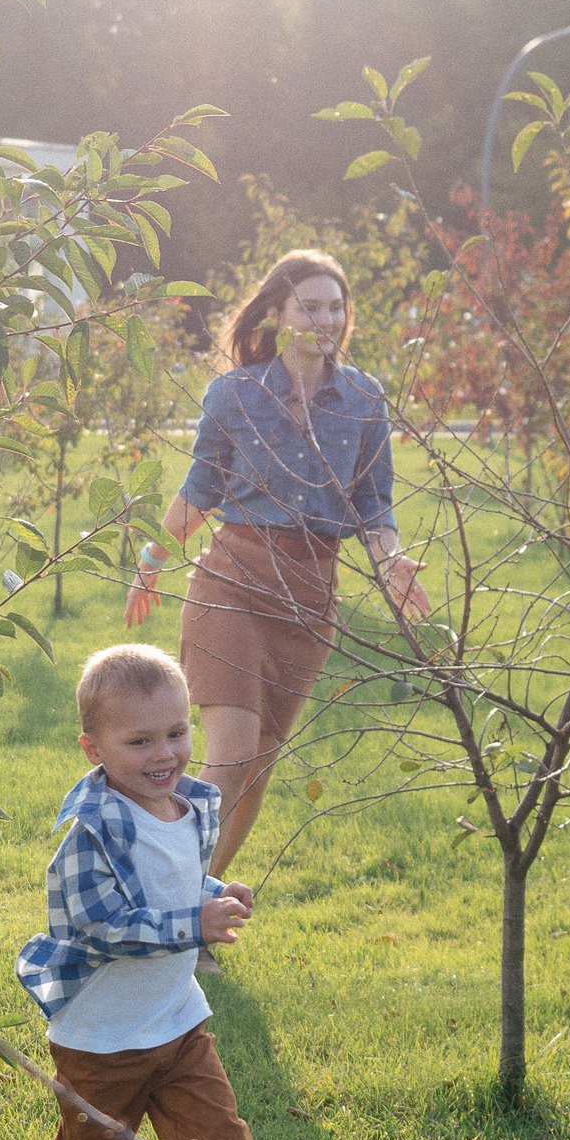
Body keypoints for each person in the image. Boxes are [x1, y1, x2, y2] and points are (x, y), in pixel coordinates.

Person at [0, 642, 286, 1140]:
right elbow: (101, 927)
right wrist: (194, 922)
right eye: (140, 740)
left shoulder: (187, 808)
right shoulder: (89, 836)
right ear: (93, 747)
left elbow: (175, 883)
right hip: (103, 1041)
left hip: (179, 1024)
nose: (165, 753)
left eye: (179, 733)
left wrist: (216, 894)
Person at [126, 248, 429, 897]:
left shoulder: (363, 400)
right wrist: (153, 559)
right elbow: (201, 489)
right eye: (310, 307)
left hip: (310, 596)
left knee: (257, 765)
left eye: (335, 307)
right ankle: (170, 897)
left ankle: (195, 897)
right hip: (234, 578)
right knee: (230, 754)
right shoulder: (235, 394)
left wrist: (392, 561)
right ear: (277, 313)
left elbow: (372, 502)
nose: (326, 319)